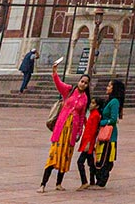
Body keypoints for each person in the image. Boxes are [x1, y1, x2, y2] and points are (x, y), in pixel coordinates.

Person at [40, 62, 91, 192]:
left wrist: (79, 132)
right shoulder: (68, 90)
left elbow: (81, 117)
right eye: (82, 81)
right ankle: (43, 184)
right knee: (53, 155)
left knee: (65, 157)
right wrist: (54, 72)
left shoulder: (85, 99)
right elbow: (59, 84)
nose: (83, 84)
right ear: (78, 81)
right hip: (61, 128)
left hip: (72, 131)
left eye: (86, 83)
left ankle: (58, 183)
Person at [89, 79, 123, 188]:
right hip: (103, 132)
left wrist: (101, 122)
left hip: (109, 134)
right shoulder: (109, 100)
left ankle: (102, 179)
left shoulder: (114, 102)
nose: (107, 88)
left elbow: (113, 119)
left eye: (109, 86)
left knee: (106, 157)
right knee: (100, 156)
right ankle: (99, 178)